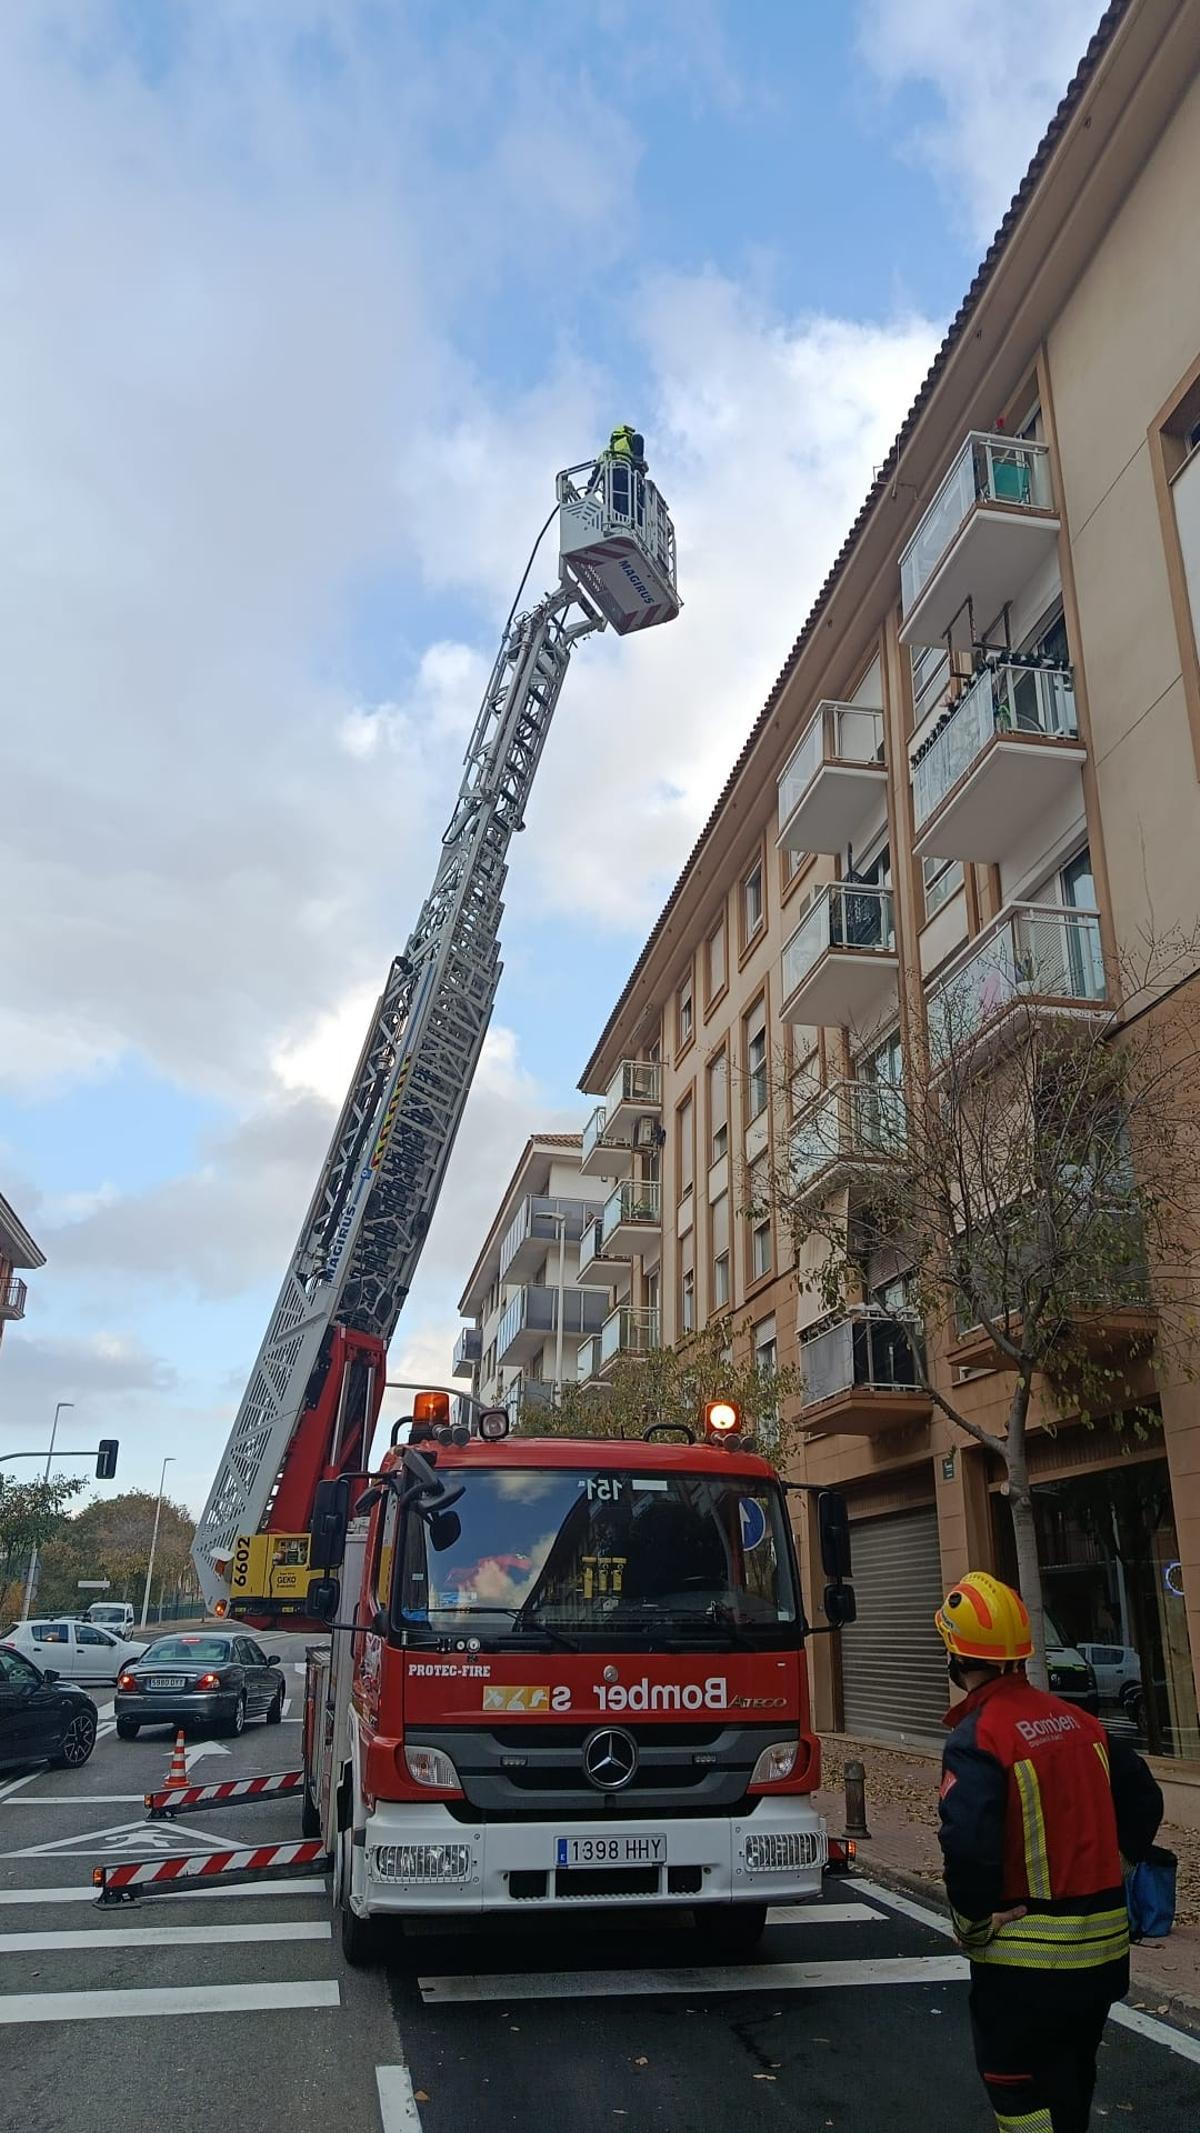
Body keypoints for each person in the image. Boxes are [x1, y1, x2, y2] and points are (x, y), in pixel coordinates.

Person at [935, 1570, 1162, 2133]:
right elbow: (1146, 1800)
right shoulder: (1085, 1724)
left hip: (1025, 1965)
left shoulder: (980, 1737)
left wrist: (973, 1922)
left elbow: (966, 1844)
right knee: (1072, 2077)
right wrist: (1122, 1865)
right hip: (1105, 1957)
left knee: (1013, 2086)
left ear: (957, 1658)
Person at [591, 423, 647, 522]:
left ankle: (613, 523)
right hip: (625, 477)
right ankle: (630, 523)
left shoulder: (606, 453)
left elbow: (595, 475)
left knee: (612, 507)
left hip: (609, 483)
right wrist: (640, 468)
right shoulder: (630, 440)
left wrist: (589, 491)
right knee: (627, 504)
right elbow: (639, 444)